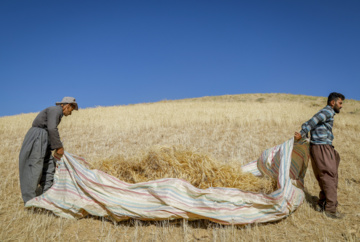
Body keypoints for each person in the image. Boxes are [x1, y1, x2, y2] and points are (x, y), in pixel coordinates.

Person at [294, 92, 345, 219]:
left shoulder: (327, 112)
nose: (341, 106)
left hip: (319, 147)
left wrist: (304, 133)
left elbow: (311, 122)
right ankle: (330, 210)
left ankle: (323, 203)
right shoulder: (327, 111)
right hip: (322, 147)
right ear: (332, 103)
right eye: (340, 103)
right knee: (329, 177)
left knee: (325, 176)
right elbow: (313, 121)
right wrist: (302, 133)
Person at [19, 97, 78, 204]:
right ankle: (31, 203)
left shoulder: (57, 113)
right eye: (71, 110)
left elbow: (50, 129)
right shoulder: (55, 110)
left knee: (49, 166)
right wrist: (58, 146)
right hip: (37, 137)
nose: (70, 113)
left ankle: (45, 197)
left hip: (44, 139)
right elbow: (51, 128)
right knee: (33, 167)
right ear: (67, 105)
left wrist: (52, 145)